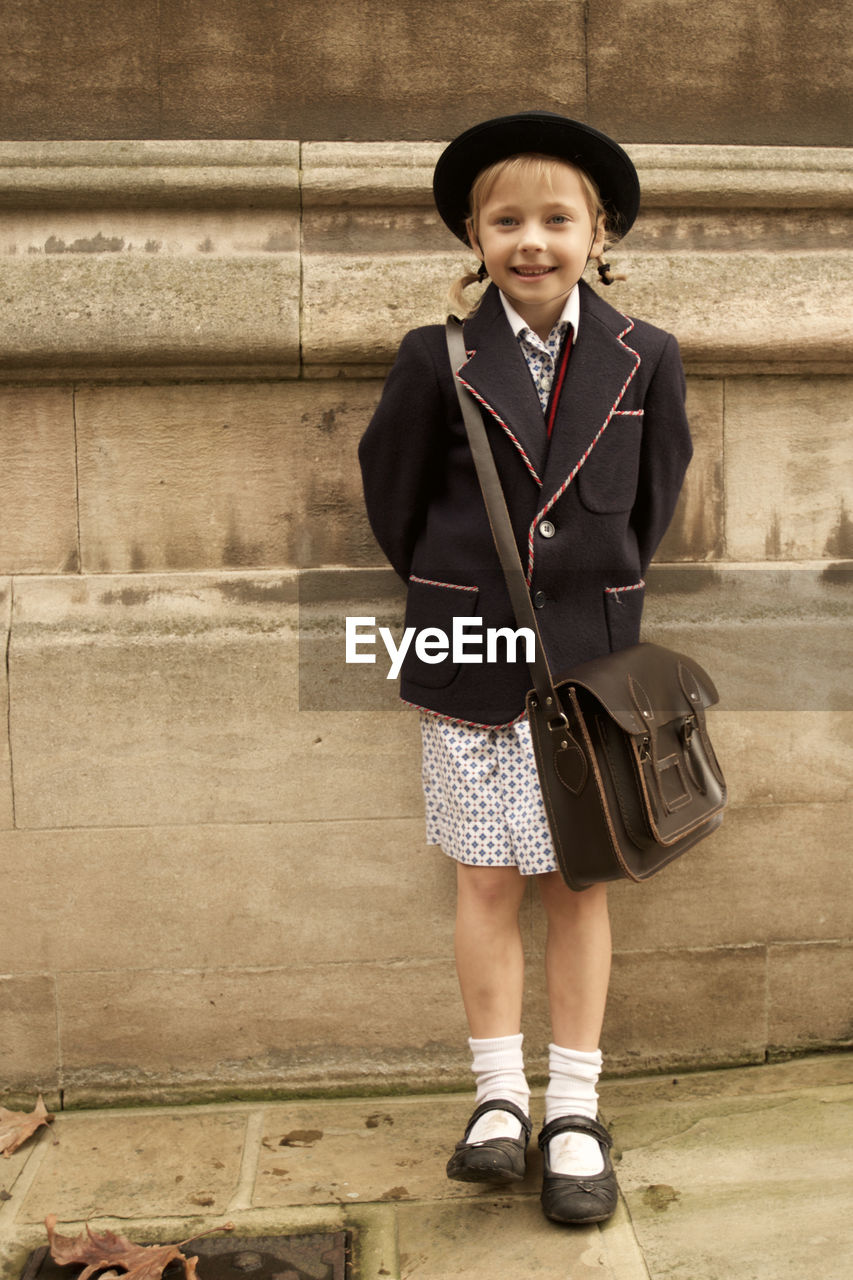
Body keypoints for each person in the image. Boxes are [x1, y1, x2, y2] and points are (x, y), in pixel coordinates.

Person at [358, 112, 693, 1226]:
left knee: (579, 880)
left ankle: (577, 1110)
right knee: (485, 880)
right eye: (507, 220)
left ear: (599, 233)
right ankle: (497, 1099)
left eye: (558, 218)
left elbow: (648, 507)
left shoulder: (646, 355)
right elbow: (396, 503)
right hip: (468, 658)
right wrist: (464, 596)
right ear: (474, 234)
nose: (532, 240)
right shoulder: (436, 357)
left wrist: (581, 598)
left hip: (592, 669)